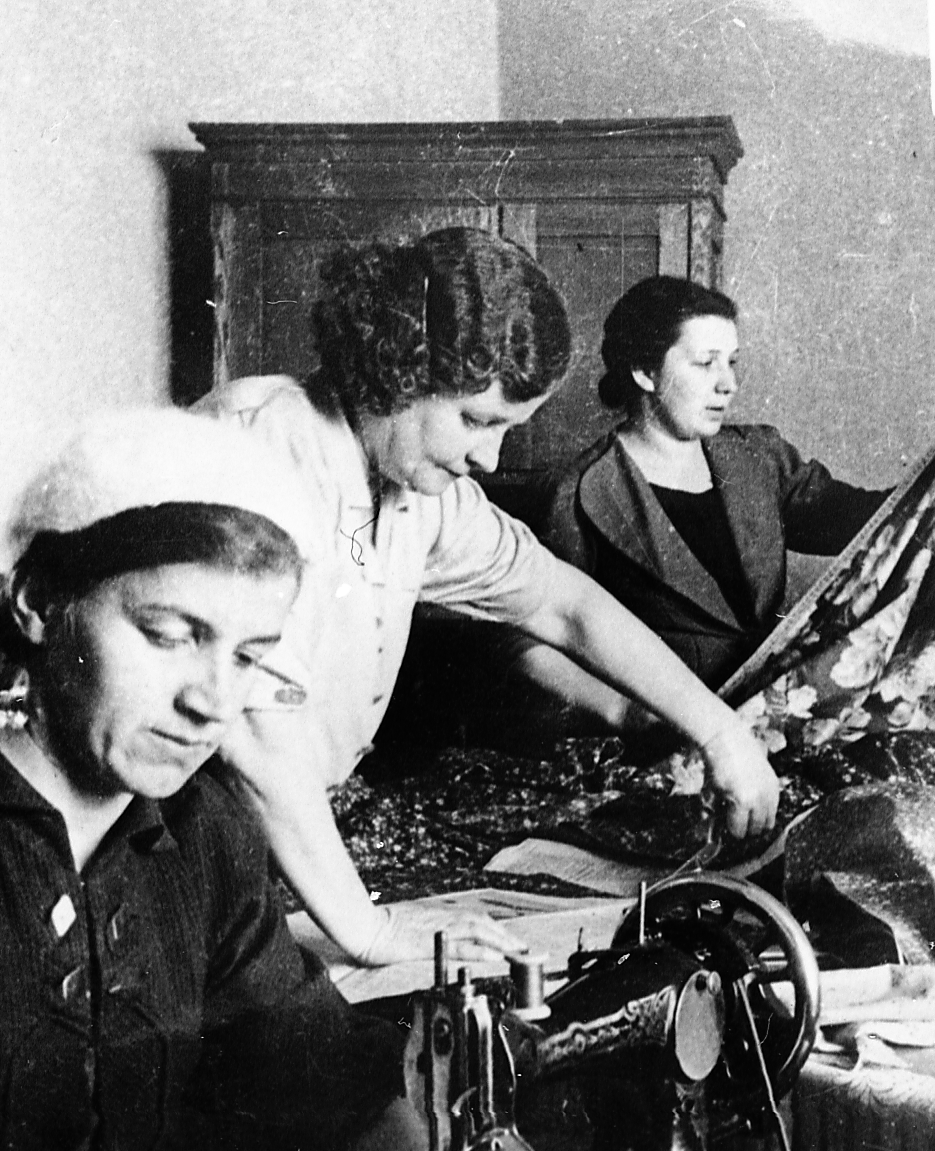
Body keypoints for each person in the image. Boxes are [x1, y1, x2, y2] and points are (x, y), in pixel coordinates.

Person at [0, 407, 682, 1151]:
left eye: (248, 657)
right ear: (38, 600)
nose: (211, 700)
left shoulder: (200, 833)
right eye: (169, 635)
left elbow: (321, 1084)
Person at [195, 229, 781, 968]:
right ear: (397, 370)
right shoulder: (261, 446)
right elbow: (256, 732)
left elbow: (561, 603)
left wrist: (718, 732)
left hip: (286, 828)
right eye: (476, 420)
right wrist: (373, 934)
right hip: (193, 841)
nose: (489, 457)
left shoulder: (414, 484)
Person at [515, 275, 888, 726]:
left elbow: (872, 523)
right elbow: (527, 639)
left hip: (776, 718)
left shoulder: (760, 457)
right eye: (706, 363)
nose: (728, 384)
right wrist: (627, 714)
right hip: (671, 732)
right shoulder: (579, 493)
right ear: (645, 372)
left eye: (732, 362)